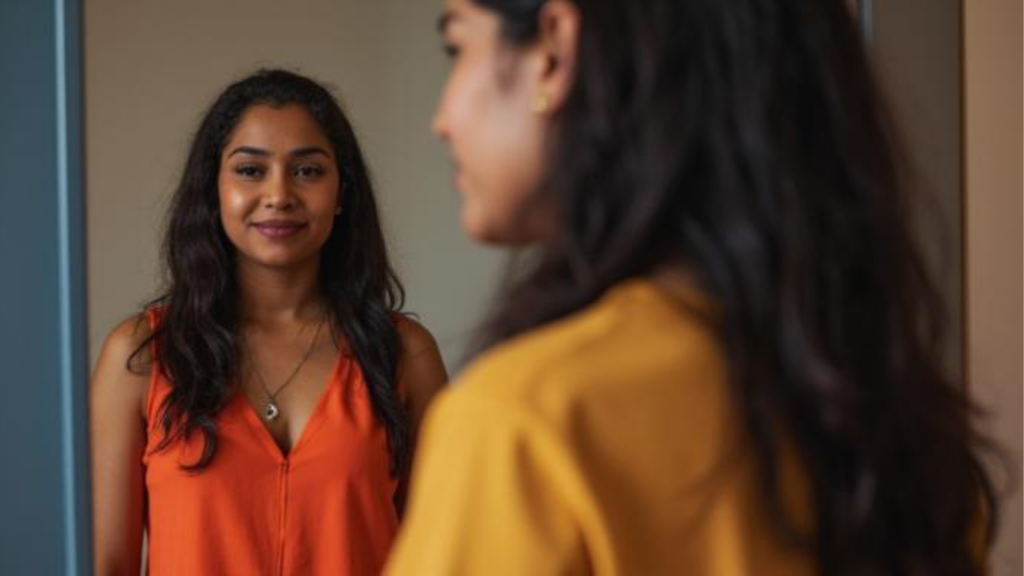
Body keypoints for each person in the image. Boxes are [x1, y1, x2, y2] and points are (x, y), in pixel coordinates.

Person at [386, 1, 997, 574]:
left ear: (554, 50)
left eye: (457, 46)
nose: (442, 118)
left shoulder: (524, 423)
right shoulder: (897, 424)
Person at [90, 69, 448, 575]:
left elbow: (441, 556)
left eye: (307, 171)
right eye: (251, 171)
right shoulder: (142, 356)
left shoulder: (405, 354)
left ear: (342, 192)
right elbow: (108, 565)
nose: (279, 194)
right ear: (214, 190)